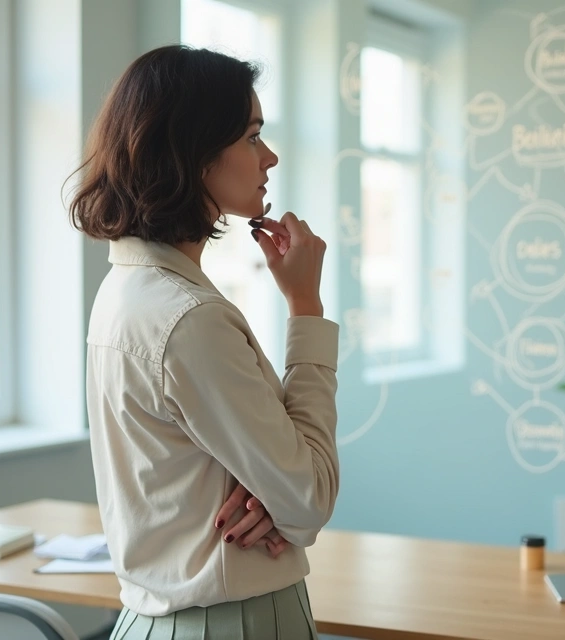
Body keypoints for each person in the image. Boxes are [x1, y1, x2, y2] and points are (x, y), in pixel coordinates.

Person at [68, 44, 339, 638]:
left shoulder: (127, 289)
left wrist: (276, 490)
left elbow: (269, 483)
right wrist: (306, 307)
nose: (269, 157)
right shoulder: (189, 318)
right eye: (250, 137)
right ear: (191, 155)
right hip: (230, 622)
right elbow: (311, 495)